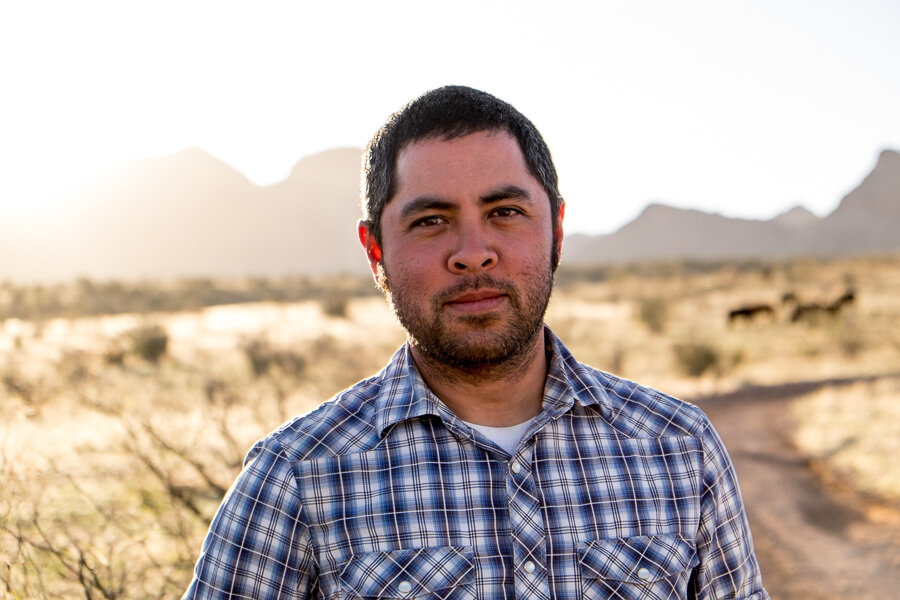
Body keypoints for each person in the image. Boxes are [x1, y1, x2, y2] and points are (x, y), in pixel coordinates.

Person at [184, 85, 768, 600]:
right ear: (375, 251)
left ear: (556, 231)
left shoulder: (678, 448)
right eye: (431, 220)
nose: (472, 251)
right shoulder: (298, 475)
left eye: (505, 211)